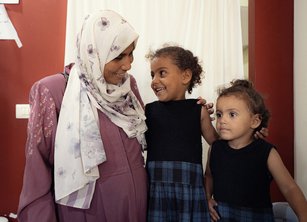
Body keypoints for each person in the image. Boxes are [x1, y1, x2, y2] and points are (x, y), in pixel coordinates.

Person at [17, 10, 148, 222]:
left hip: (136, 205)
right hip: (87, 212)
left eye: (131, 53)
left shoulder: (127, 86)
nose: (128, 65)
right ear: (94, 53)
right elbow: (37, 168)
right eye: (118, 57)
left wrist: (189, 112)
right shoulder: (53, 90)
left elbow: (145, 134)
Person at [205, 79, 307, 221]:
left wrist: (303, 217)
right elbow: (209, 177)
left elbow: (289, 188)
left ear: (255, 121)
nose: (222, 120)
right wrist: (207, 197)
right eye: (219, 114)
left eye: (232, 114)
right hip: (222, 215)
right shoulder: (215, 149)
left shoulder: (267, 153)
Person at [145, 45, 219, 222]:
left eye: (162, 73)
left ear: (185, 76)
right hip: (156, 190)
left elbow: (219, 147)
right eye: (152, 75)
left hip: (191, 190)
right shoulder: (148, 111)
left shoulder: (198, 110)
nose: (154, 81)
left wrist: (250, 134)